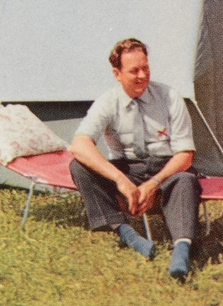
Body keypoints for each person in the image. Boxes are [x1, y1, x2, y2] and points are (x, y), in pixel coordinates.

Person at [69, 38, 201, 281]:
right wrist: (120, 180)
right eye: (134, 71)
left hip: (166, 167)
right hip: (127, 166)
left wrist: (154, 183)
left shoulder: (170, 97)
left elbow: (185, 154)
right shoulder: (108, 101)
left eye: (146, 69)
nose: (142, 76)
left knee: (185, 180)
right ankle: (127, 233)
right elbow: (79, 145)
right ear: (117, 74)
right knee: (79, 167)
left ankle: (181, 251)